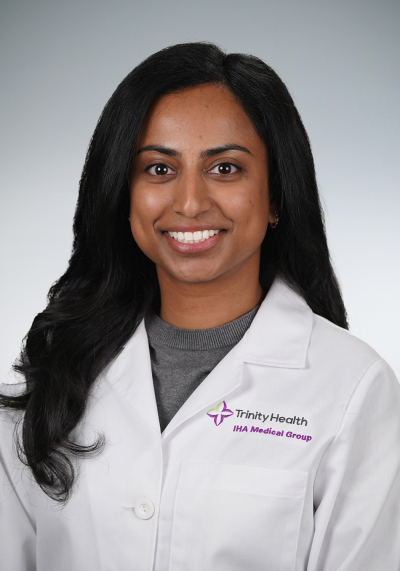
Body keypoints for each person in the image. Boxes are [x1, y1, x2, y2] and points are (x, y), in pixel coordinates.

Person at [0, 42, 399, 571]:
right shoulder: (51, 378)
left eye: (226, 168)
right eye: (159, 169)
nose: (190, 203)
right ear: (123, 194)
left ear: (276, 196)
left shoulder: (353, 389)